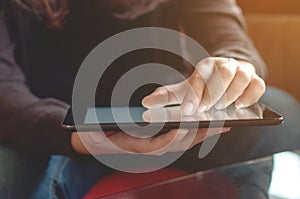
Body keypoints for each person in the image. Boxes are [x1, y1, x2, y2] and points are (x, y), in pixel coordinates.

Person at [0, 0, 299, 198]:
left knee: (280, 114)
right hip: (55, 131)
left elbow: (228, 38)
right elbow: (5, 88)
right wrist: (81, 137)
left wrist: (234, 67)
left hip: (169, 118)